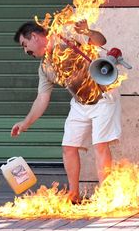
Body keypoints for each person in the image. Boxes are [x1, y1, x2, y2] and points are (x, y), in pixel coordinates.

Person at [10, 20, 122, 203]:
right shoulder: (45, 67)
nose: (26, 51)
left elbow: (100, 41)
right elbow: (41, 99)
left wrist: (87, 31)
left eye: (25, 45)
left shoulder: (67, 36)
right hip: (80, 103)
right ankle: (73, 194)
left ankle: (107, 197)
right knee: (69, 147)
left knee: (100, 145)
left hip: (103, 97)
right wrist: (26, 123)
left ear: (34, 37)